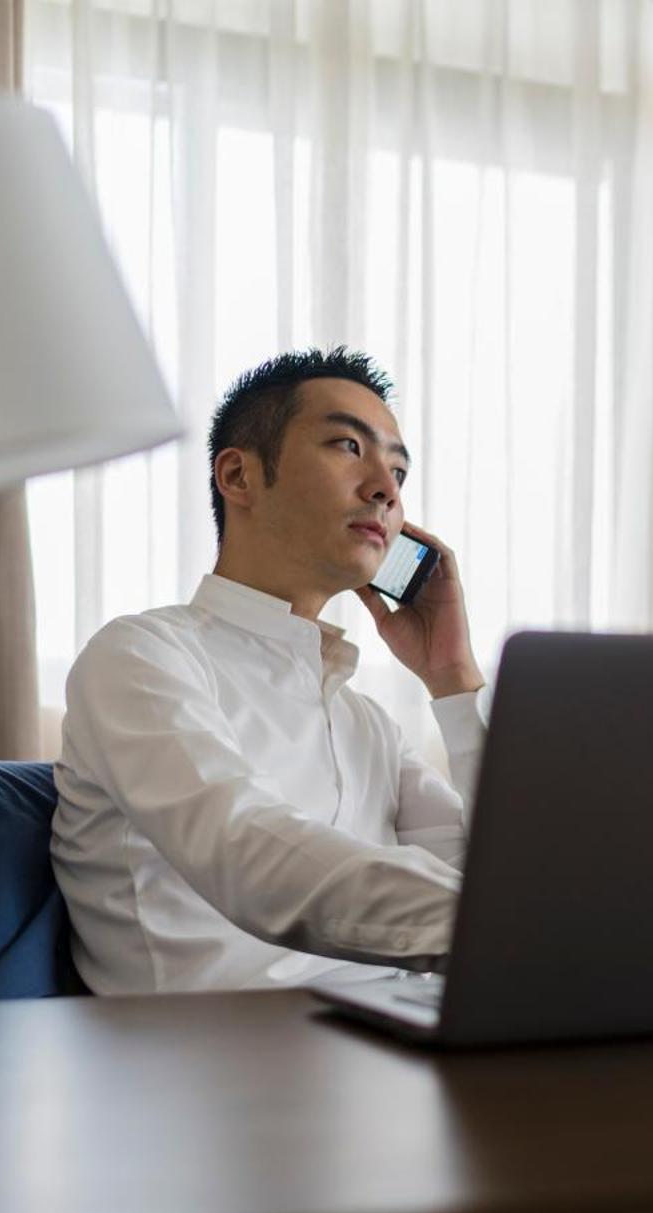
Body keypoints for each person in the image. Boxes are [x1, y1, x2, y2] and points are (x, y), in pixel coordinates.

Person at [52, 347, 485, 994]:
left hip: (383, 1043)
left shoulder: (366, 723)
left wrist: (452, 682)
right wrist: (517, 933)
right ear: (238, 476)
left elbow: (500, 879)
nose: (386, 491)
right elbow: (249, 856)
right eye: (348, 446)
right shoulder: (140, 656)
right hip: (209, 1061)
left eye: (398, 470)